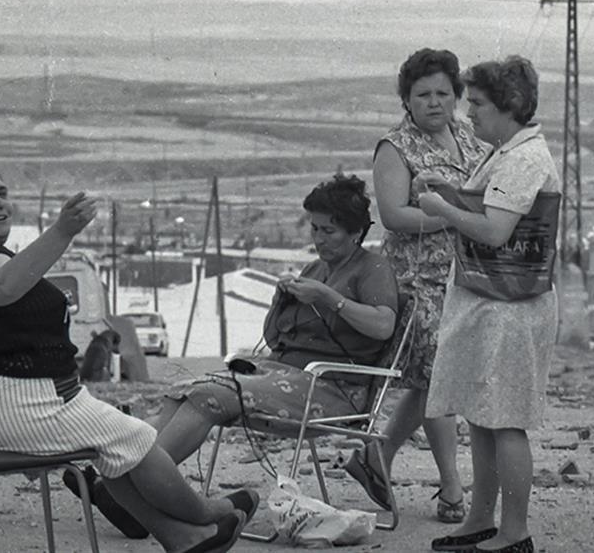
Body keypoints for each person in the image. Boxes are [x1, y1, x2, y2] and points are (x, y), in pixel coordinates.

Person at [0, 161, 250, 553]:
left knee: (114, 449)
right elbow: (4, 286)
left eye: (2, 193)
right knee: (136, 437)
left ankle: (183, 538)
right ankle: (209, 512)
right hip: (18, 408)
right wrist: (63, 231)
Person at [150, 174, 399, 467]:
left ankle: (149, 478)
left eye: (329, 231)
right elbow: (274, 339)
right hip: (285, 376)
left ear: (355, 232)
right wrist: (281, 301)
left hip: (334, 390)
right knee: (182, 391)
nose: (319, 239)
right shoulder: (314, 269)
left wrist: (328, 297)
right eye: (315, 228)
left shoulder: (373, 269)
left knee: (210, 396)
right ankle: (132, 473)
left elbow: (383, 326)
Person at [420, 56, 559, 553]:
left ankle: (514, 531)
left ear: (509, 106)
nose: (468, 112)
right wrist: (449, 194)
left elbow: (495, 230)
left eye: (476, 103)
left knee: (505, 419)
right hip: (490, 299)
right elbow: (490, 207)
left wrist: (442, 209)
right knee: (482, 412)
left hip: (511, 308)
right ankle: (481, 520)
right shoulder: (503, 150)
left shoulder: (522, 158)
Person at [349, 47, 486, 523]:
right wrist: (455, 217)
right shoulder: (395, 146)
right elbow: (393, 215)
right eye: (422, 94)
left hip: (465, 277)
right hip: (416, 281)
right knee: (438, 380)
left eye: (443, 94)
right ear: (406, 100)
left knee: (429, 383)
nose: (434, 103)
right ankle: (451, 489)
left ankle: (376, 457)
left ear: (457, 97)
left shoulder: (469, 139)